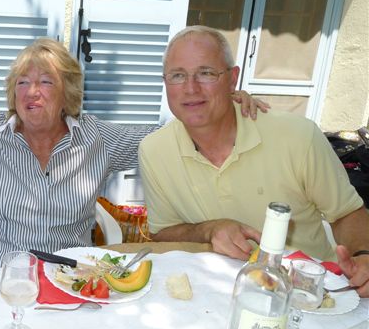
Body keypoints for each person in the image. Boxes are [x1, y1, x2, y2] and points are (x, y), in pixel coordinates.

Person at [0, 38, 265, 288]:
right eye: (22, 82)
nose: (32, 92)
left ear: (67, 94)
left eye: (46, 81)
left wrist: (220, 103)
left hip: (71, 278)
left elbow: (171, 134)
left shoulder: (98, 139)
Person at [139, 25, 369, 297]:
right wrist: (209, 230)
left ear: (232, 78)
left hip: (308, 295)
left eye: (206, 73)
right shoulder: (153, 150)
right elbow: (163, 233)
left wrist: (363, 256)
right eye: (178, 75)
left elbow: (346, 213)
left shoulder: (298, 136)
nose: (191, 88)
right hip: (213, 294)